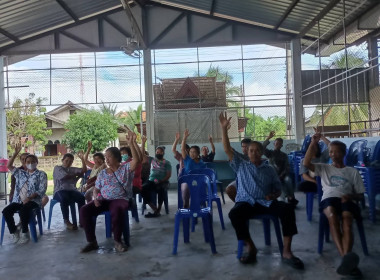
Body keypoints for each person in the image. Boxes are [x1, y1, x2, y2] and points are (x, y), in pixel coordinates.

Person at [219, 112, 304, 269]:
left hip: (266, 202)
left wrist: (273, 195)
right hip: (247, 202)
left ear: (261, 152)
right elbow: (227, 148)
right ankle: (251, 246)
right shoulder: (241, 165)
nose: (254, 153)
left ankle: (286, 251)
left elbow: (278, 190)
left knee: (287, 210)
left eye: (257, 150)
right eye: (251, 150)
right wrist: (224, 129)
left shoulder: (269, 169)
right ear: (247, 152)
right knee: (234, 214)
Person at [303, 136, 364, 277]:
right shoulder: (324, 168)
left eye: (336, 152)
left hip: (346, 200)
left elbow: (360, 195)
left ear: (343, 154)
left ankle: (346, 261)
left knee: (347, 221)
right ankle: (346, 258)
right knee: (332, 217)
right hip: (329, 199)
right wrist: (313, 143)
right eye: (331, 152)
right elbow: (306, 163)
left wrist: (351, 196)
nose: (333, 155)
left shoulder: (352, 172)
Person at [80, 131, 142, 253]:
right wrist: (96, 197)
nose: (106, 159)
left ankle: (118, 241)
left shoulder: (125, 168)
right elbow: (97, 188)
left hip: (120, 199)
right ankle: (92, 241)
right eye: (106, 156)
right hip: (104, 199)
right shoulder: (103, 173)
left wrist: (131, 143)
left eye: (109, 156)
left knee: (117, 209)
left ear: (117, 158)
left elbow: (137, 160)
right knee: (84, 210)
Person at [2, 144, 47, 244]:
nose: (30, 163)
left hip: (34, 201)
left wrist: (30, 197)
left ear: (36, 162)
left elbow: (42, 190)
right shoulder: (20, 173)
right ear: (25, 164)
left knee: (24, 209)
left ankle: (25, 233)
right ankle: (14, 231)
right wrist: (15, 154)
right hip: (19, 200)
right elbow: (9, 166)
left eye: (33, 162)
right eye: (28, 162)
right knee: (6, 211)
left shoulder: (41, 174)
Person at [53, 152, 87, 230]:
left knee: (81, 198)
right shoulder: (58, 168)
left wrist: (83, 160)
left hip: (71, 190)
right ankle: (67, 221)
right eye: (66, 160)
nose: (68, 163)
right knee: (64, 199)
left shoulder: (72, 169)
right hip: (59, 191)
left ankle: (82, 220)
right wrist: (77, 175)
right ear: (62, 160)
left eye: (71, 161)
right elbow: (65, 177)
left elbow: (84, 170)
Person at [263, 131, 298, 206]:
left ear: (281, 145)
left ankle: (291, 197)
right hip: (272, 176)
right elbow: (262, 148)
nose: (278, 145)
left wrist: (282, 175)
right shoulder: (270, 154)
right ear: (274, 144)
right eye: (276, 143)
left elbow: (287, 167)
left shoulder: (284, 155)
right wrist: (268, 137)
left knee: (288, 180)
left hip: (283, 175)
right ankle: (286, 198)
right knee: (278, 183)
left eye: (279, 144)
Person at [141, 146, 172, 218]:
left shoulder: (167, 163)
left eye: (160, 152)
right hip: (151, 180)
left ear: (163, 153)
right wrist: (143, 142)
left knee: (161, 189)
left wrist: (161, 180)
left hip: (162, 181)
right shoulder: (152, 160)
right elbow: (142, 154)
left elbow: (168, 175)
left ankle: (158, 209)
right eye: (157, 152)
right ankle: (154, 208)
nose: (158, 153)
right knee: (142, 188)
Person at [180, 129, 206, 208]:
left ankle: (197, 205)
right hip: (187, 181)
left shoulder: (202, 163)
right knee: (186, 188)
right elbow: (182, 149)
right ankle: (186, 204)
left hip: (198, 181)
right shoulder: (187, 159)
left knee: (199, 189)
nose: (192, 153)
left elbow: (204, 174)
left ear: (198, 153)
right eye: (190, 151)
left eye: (194, 152)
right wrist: (184, 138)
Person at [299, 129, 330, 193]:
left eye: (315, 146)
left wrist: (321, 136)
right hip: (313, 180)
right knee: (301, 185)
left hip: (324, 178)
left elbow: (331, 146)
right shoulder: (304, 160)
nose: (313, 148)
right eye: (312, 147)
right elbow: (304, 175)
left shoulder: (322, 157)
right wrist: (316, 182)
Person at [225, 138, 251, 202]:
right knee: (229, 189)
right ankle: (239, 203)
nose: (245, 148)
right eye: (243, 147)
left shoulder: (254, 157)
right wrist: (225, 131)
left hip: (251, 181)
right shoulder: (240, 156)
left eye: (247, 147)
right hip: (241, 180)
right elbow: (228, 149)